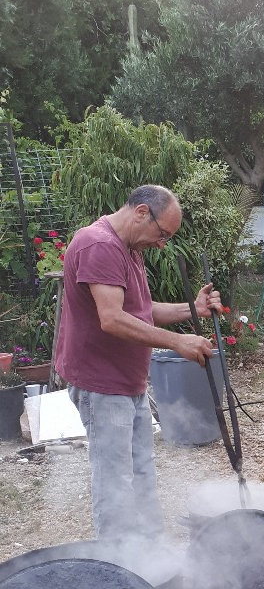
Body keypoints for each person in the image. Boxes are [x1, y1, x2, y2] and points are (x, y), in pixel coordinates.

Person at [55, 185, 220, 541]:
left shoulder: (130, 247)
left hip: (129, 383)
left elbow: (142, 312)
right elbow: (112, 318)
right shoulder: (98, 245)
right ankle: (117, 572)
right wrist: (179, 342)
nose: (162, 244)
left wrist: (194, 309)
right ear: (142, 212)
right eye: (163, 234)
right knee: (114, 484)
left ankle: (149, 557)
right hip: (102, 385)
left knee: (143, 472)